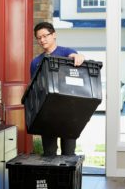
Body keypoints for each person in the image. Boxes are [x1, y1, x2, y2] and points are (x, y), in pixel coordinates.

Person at [31, 22, 85, 156]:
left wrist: (78, 57)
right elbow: (34, 89)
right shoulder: (35, 62)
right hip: (47, 114)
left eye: (45, 36)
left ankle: (68, 178)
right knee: (49, 154)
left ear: (54, 35)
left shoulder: (65, 52)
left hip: (69, 112)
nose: (42, 40)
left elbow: (75, 57)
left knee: (68, 154)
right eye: (39, 38)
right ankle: (53, 178)